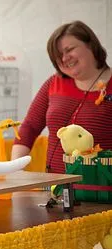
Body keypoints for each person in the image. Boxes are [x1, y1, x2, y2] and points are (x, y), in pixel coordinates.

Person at [11, 20, 112, 174]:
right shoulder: (54, 83)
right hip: (56, 190)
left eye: (69, 49)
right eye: (58, 56)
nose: (64, 58)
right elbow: (29, 127)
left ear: (91, 45)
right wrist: (15, 168)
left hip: (101, 191)